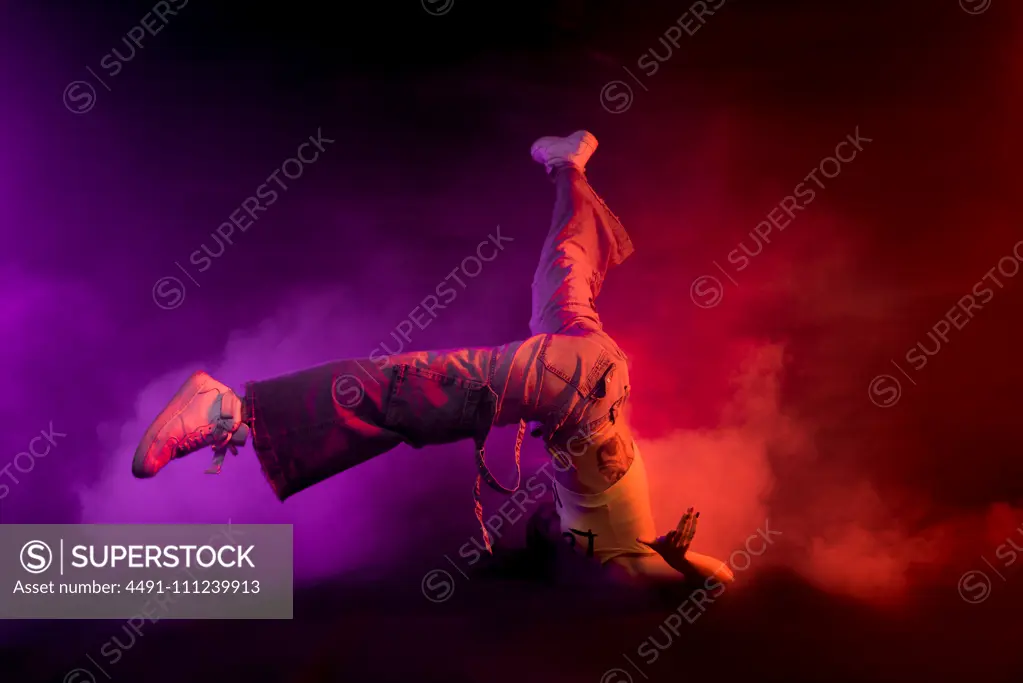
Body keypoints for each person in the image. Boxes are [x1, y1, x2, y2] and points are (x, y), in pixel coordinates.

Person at [132, 130, 734, 587]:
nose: (547, 519)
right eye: (548, 529)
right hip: (574, 388)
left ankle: (569, 164)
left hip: (590, 371)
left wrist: (678, 560)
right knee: (406, 395)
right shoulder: (623, 559)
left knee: (565, 271)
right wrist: (686, 564)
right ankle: (229, 407)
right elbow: (722, 578)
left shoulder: (586, 529)